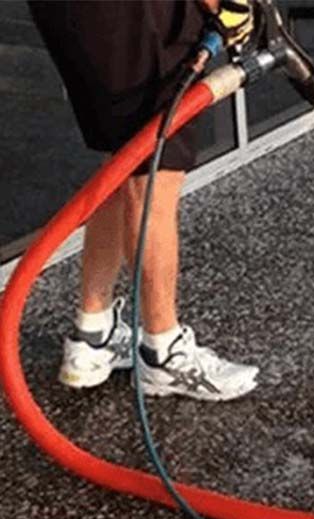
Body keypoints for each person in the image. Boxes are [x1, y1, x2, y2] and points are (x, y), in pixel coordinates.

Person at [27, 0, 259, 401]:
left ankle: (93, 335)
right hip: (135, 15)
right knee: (155, 175)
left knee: (127, 160)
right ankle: (162, 351)